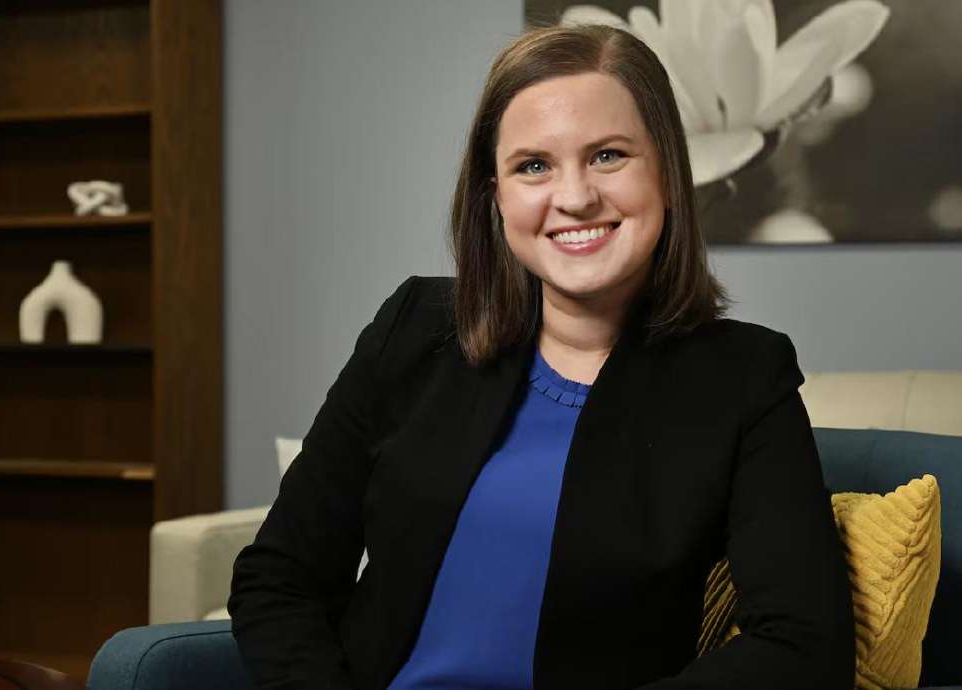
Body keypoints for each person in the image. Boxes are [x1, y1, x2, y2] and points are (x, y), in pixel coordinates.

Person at [228, 23, 854, 690]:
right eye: (533, 166)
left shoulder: (743, 379)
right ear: (494, 196)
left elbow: (803, 646)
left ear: (669, 174)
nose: (576, 196)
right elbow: (280, 580)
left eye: (609, 155)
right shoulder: (412, 329)